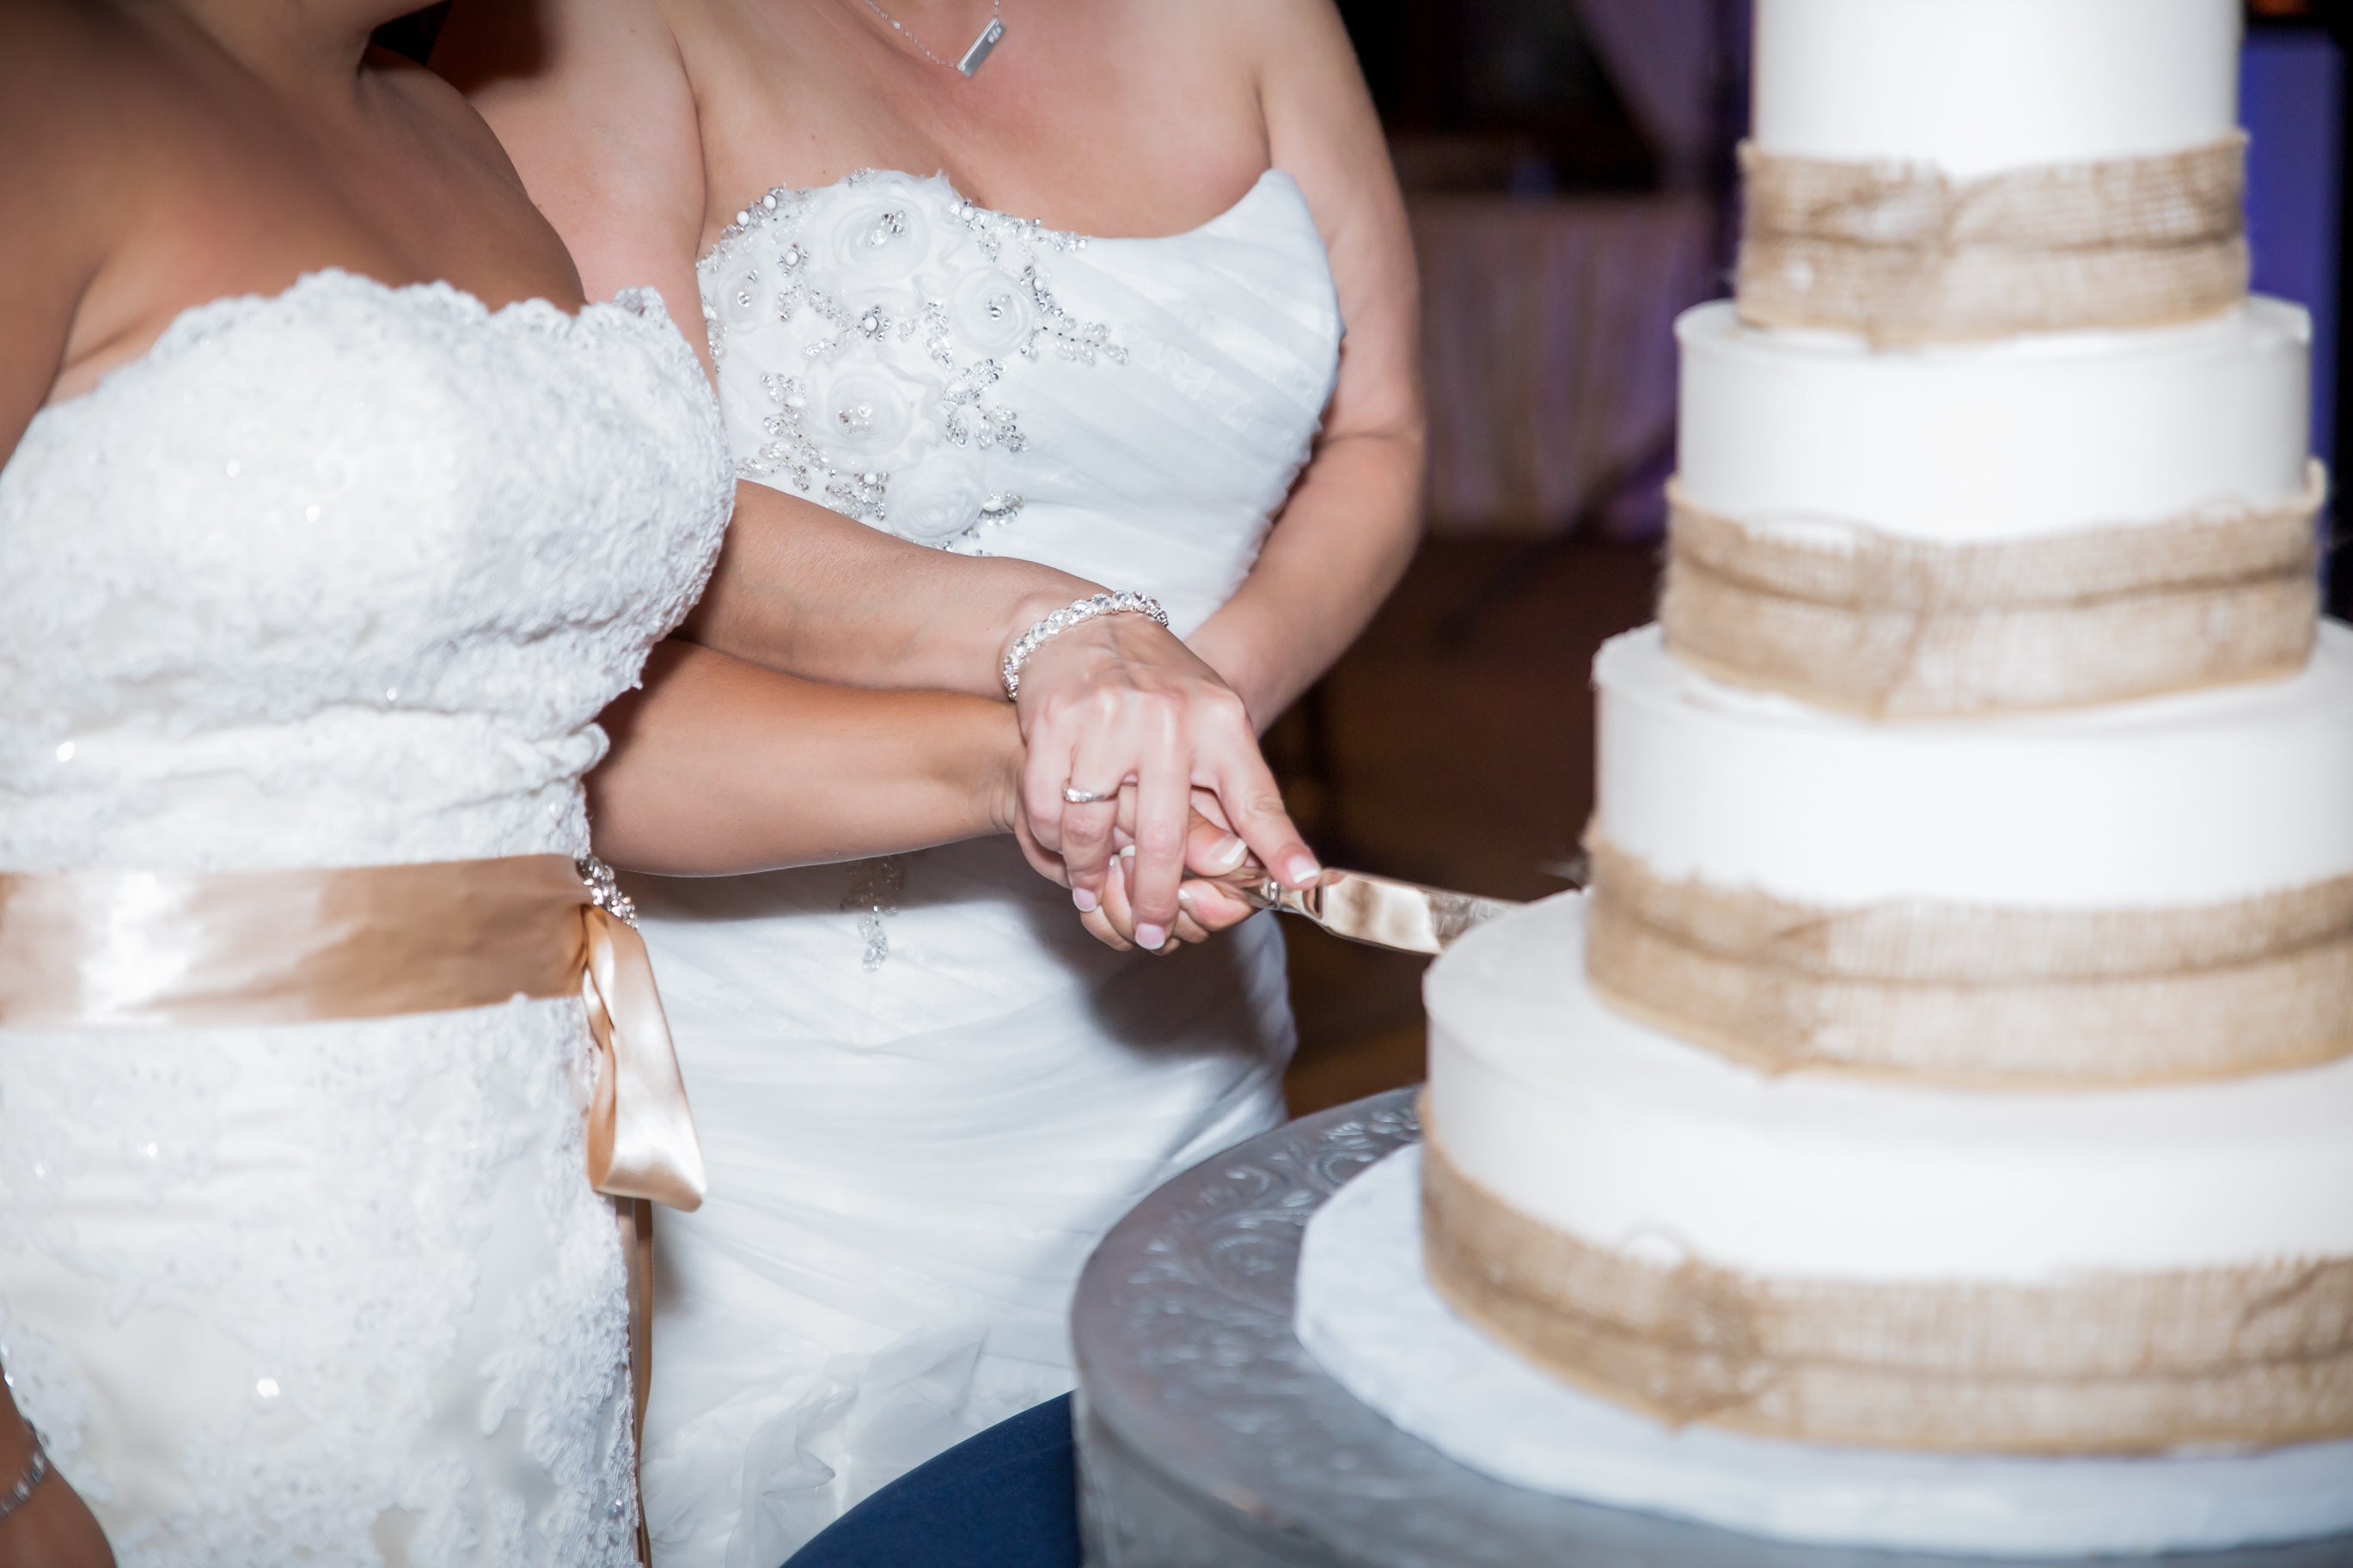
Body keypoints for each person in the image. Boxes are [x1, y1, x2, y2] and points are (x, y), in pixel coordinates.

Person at [0, 1, 1254, 1561]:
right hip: (147, 1245)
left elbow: (552, 745)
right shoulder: (36, 93)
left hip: (519, 1244)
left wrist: (1026, 766)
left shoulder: (450, 133)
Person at [438, 1, 1427, 1559]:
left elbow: (1379, 433)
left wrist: (1175, 731)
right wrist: (1059, 643)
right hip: (819, 1121)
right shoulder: (593, 33)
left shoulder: (1259, 19)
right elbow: (636, 500)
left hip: (1187, 1041)